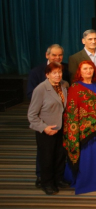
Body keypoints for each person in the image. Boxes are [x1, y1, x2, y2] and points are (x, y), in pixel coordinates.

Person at [63, 61, 96, 194]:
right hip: (85, 130)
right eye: (85, 69)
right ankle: (86, 179)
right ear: (80, 71)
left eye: (91, 68)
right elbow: (72, 110)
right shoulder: (75, 87)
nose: (88, 71)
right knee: (88, 153)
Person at [28, 62, 69, 195]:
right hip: (47, 130)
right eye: (54, 73)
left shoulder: (64, 85)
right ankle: (47, 183)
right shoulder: (40, 89)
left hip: (61, 127)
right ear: (47, 75)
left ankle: (58, 179)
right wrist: (44, 128)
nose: (58, 75)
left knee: (60, 155)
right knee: (47, 158)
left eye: (59, 72)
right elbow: (32, 115)